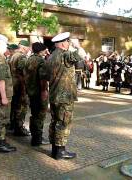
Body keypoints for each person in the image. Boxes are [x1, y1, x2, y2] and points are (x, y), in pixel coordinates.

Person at [41, 32, 85, 160]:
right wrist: (78, 46)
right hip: (65, 96)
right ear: (62, 43)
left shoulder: (50, 57)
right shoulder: (64, 55)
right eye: (67, 41)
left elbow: (44, 76)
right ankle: (60, 151)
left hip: (55, 94)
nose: (69, 43)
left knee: (55, 121)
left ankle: (55, 149)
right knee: (63, 122)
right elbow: (81, 55)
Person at [25, 42, 49, 146]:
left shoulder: (29, 59)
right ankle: (38, 139)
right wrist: (44, 91)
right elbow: (43, 78)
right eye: (44, 50)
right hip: (38, 92)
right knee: (40, 115)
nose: (46, 51)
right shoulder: (41, 61)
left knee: (34, 115)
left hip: (30, 91)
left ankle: (34, 137)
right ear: (41, 50)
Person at [8, 40, 31, 136]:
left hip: (13, 85)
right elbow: (23, 73)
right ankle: (19, 128)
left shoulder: (12, 56)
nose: (28, 50)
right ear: (24, 47)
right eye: (28, 48)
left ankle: (13, 125)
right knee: (21, 108)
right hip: (20, 86)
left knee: (15, 106)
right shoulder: (22, 57)